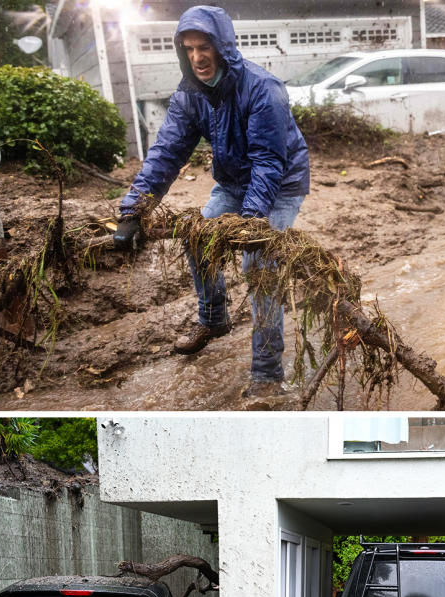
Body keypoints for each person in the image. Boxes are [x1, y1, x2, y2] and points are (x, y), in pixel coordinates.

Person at [113, 5, 309, 397]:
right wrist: (133, 210)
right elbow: (167, 152)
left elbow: (269, 162)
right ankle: (214, 317)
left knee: (260, 267)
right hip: (233, 182)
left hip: (280, 184)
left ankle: (268, 376)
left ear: (223, 46)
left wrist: (251, 223)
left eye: (204, 47)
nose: (197, 57)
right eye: (188, 49)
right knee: (198, 236)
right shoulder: (191, 93)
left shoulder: (262, 88)